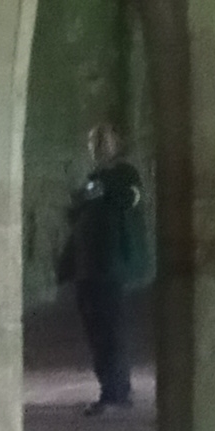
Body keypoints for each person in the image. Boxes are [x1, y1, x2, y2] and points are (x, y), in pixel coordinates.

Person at [56, 120, 153, 411]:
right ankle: (109, 388)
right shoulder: (94, 178)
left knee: (111, 330)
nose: (96, 147)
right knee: (96, 331)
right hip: (87, 267)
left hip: (109, 267)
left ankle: (116, 393)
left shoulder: (125, 175)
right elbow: (76, 211)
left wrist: (100, 190)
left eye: (103, 140)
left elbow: (127, 199)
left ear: (116, 143)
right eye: (93, 141)